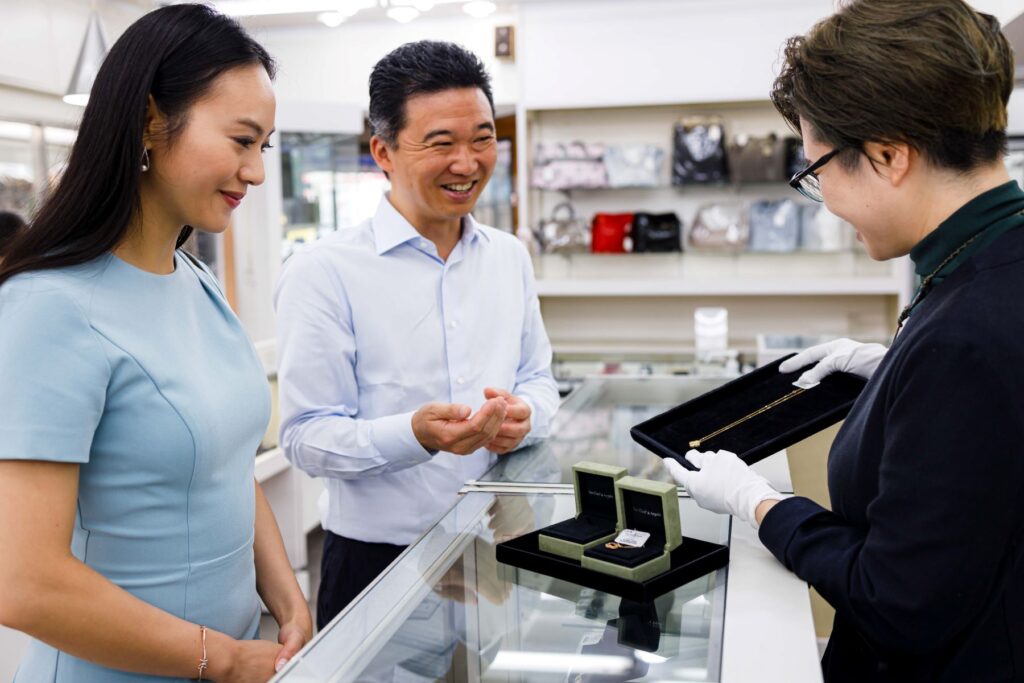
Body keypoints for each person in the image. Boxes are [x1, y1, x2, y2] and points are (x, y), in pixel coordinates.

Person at [665, 1, 1024, 681]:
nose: (821, 196)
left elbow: (898, 601)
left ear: (888, 155)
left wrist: (758, 502)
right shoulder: (986, 263)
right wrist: (898, 372)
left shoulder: (965, 337)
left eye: (816, 171)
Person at [0, 5, 311, 682]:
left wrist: (286, 595)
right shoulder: (46, 308)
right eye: (241, 140)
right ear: (148, 120)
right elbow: (23, 581)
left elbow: (227, 463)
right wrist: (224, 658)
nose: (256, 172)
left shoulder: (195, 282)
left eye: (266, 146)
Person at [275, 40, 560, 630]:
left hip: (496, 544)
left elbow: (539, 379)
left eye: (482, 139)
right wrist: (415, 435)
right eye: (441, 143)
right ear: (383, 151)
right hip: (376, 564)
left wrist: (525, 414)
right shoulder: (323, 271)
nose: (467, 162)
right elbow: (305, 437)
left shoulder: (508, 257)